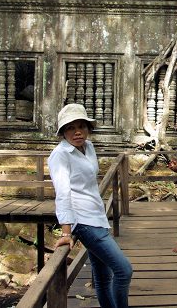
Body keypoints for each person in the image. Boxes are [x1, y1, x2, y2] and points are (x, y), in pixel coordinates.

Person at [49, 103, 132, 308]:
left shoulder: (89, 147)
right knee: (123, 270)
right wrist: (66, 233)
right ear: (63, 132)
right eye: (71, 128)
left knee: (103, 278)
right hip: (84, 221)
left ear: (88, 129)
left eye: (82, 126)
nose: (77, 132)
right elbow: (63, 193)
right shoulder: (60, 155)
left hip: (97, 214)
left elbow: (89, 182)